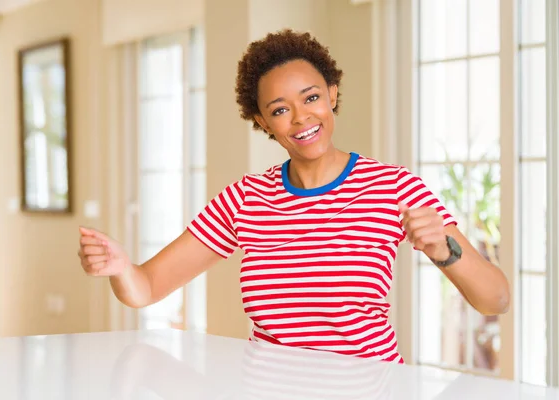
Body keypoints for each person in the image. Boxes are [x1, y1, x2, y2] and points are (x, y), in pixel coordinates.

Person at [78, 29, 510, 363]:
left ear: (332, 95)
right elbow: (147, 286)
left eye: (312, 98)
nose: (301, 117)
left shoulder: (393, 187)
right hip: (271, 387)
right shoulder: (245, 199)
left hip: (368, 387)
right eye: (280, 109)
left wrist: (444, 250)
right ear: (263, 122)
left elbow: (495, 298)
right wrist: (120, 267)